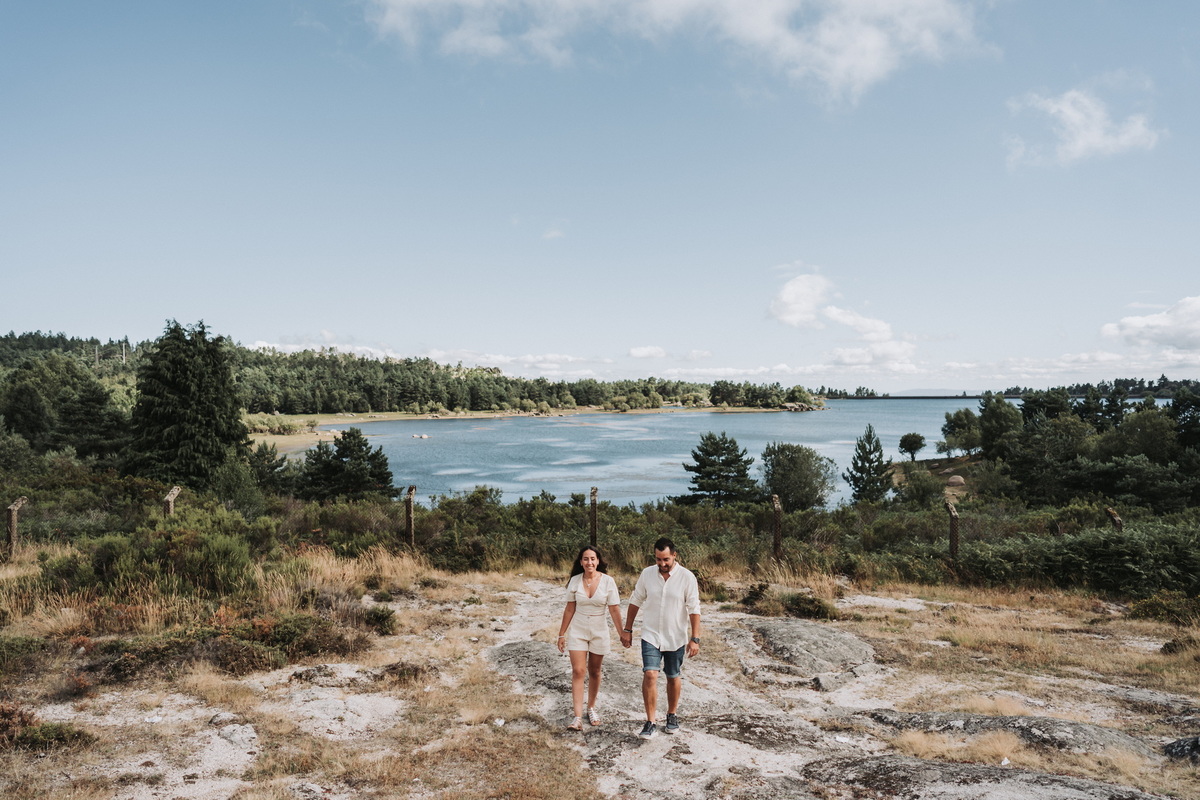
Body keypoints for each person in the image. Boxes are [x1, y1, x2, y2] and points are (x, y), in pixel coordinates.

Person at [623, 537, 701, 739]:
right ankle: (650, 721)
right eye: (658, 559)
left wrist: (695, 638)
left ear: (674, 555)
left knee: (673, 675)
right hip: (651, 634)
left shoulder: (687, 577)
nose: (662, 564)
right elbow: (635, 600)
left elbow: (694, 608)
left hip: (675, 636)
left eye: (666, 559)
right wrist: (627, 629)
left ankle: (672, 715)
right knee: (650, 674)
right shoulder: (647, 574)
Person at [556, 544, 631, 730]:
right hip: (578, 630)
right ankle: (577, 717)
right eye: (585, 559)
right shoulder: (574, 581)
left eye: (592, 559)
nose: (589, 562)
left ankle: (591, 707)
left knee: (595, 671)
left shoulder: (608, 581)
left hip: (599, 630)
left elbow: (614, 609)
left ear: (598, 561)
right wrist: (561, 634)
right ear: (580, 562)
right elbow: (569, 608)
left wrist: (622, 632)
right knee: (578, 671)